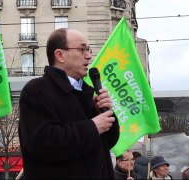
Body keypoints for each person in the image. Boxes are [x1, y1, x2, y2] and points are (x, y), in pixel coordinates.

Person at [18, 28, 120, 179]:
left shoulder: (87, 93)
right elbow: (41, 143)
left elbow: (106, 144)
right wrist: (93, 127)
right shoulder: (37, 90)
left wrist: (105, 114)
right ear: (60, 55)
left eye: (88, 50)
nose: (89, 56)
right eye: (82, 49)